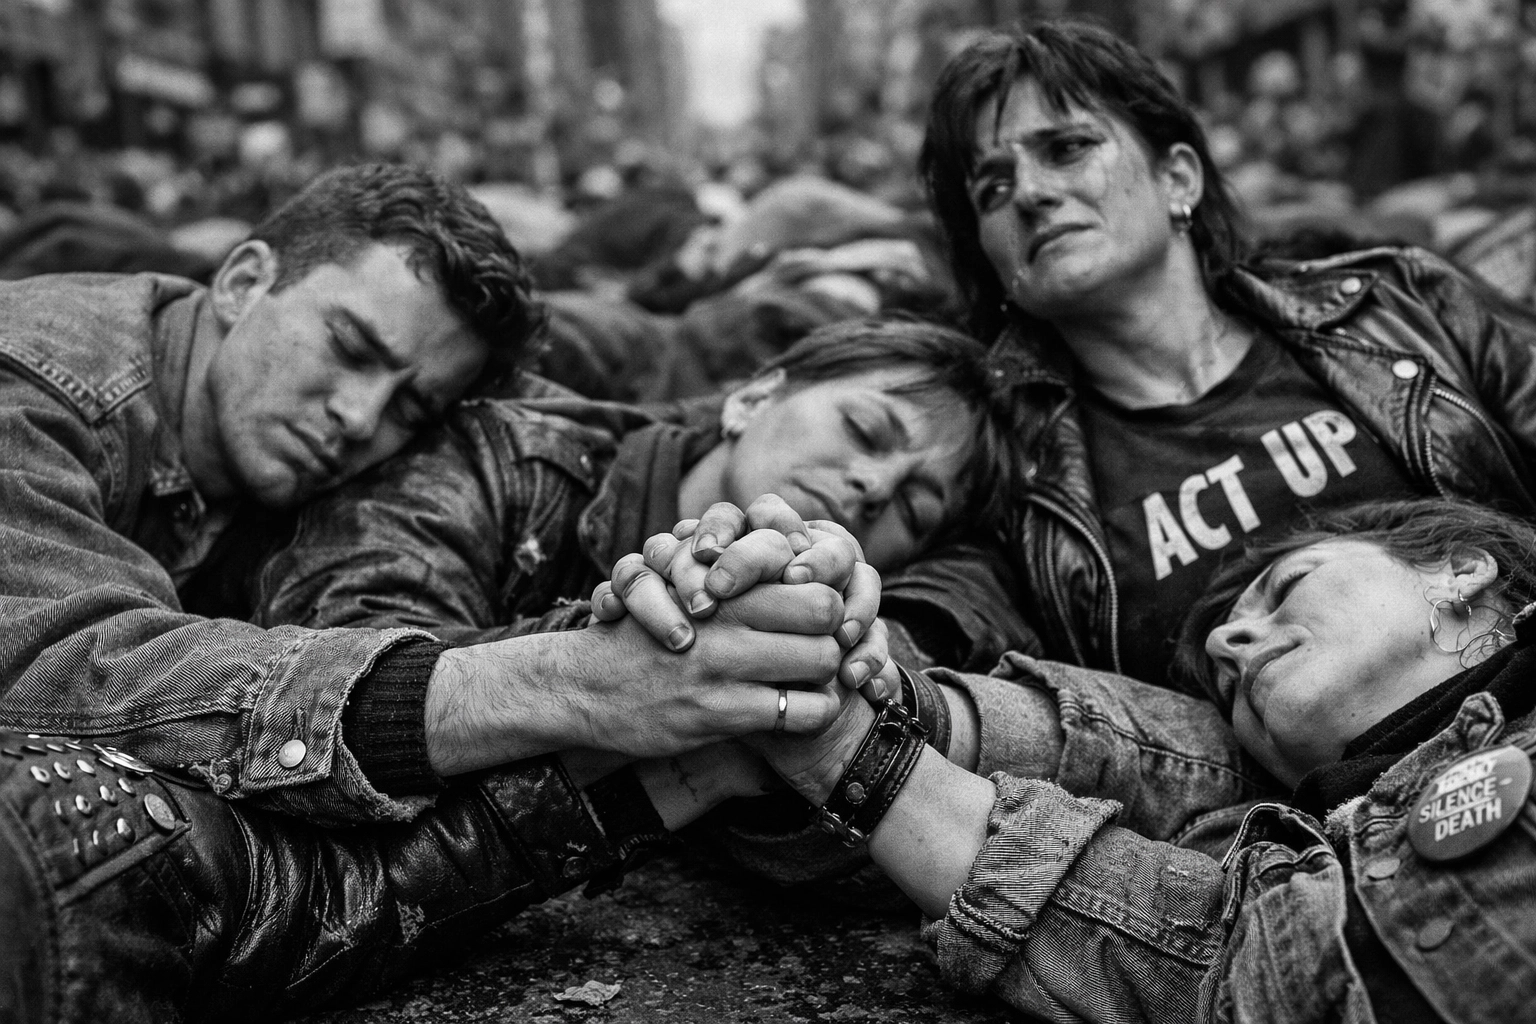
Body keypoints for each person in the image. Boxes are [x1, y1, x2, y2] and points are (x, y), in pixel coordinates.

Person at [0, 159, 861, 835]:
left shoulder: (251, 428)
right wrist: (561, 684)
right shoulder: (31, 384)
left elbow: (612, 392)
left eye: (408, 406)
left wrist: (773, 530)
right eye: (349, 346)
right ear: (241, 282)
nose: (357, 416)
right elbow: (67, 668)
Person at [909, 21, 1536, 687]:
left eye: (1066, 148)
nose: (1030, 193)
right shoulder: (1011, 475)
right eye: (993, 189)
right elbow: (950, 607)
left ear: (1178, 177)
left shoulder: (1400, 302)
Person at [751, 498, 1536, 1021]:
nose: (1231, 644)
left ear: (1461, 571)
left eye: (1287, 585)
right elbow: (1217, 946)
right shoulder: (1301, 882)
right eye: (1226, 683)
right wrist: (823, 719)